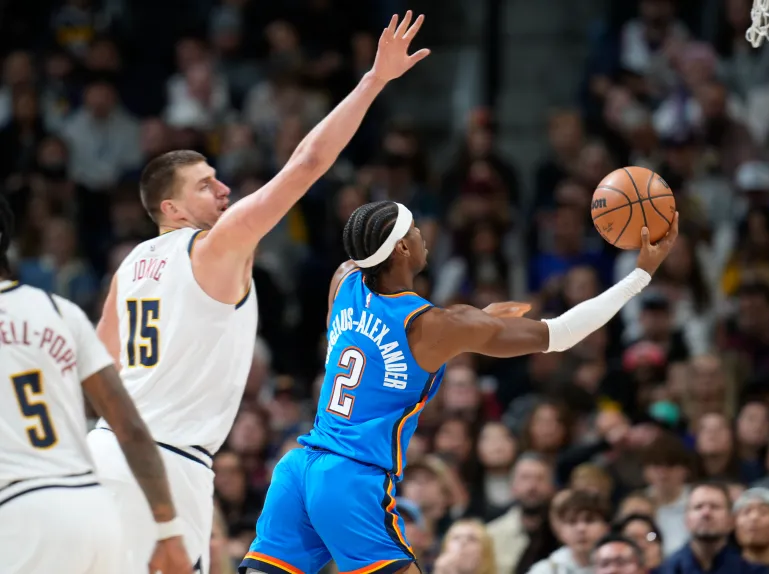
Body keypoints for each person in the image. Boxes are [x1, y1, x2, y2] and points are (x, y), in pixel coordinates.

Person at [88, 10, 431, 574]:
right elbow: (307, 164)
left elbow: (100, 368)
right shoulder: (213, 247)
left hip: (103, 454)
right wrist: (374, 80)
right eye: (205, 185)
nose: (223, 189)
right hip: (167, 463)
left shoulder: (129, 266)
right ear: (171, 209)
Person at [244, 193, 678, 574]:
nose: (424, 234)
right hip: (350, 475)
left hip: (299, 465)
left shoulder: (345, 279)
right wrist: (640, 274)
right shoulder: (438, 326)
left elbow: (359, 343)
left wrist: (469, 327)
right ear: (399, 248)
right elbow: (561, 333)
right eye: (414, 229)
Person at [0, 195, 190, 573]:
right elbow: (132, 429)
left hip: (20, 513)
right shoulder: (60, 311)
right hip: (94, 511)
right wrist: (168, 531)